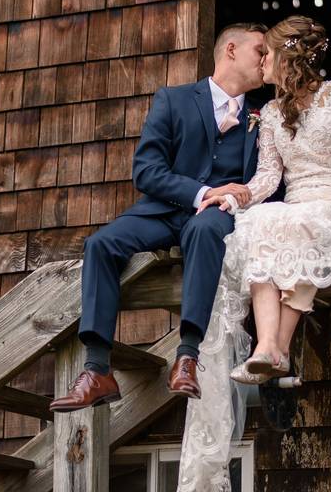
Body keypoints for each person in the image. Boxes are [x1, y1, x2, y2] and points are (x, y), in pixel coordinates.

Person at [176, 15, 331, 490]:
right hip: (295, 203)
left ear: (286, 57)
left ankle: (275, 346)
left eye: (267, 53)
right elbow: (268, 180)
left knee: (301, 225)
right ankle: (269, 347)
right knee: (258, 222)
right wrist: (233, 194)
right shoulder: (271, 113)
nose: (261, 61)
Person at [49, 22, 271, 413]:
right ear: (231, 50)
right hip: (164, 212)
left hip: (218, 219)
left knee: (204, 230)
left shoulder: (264, 117)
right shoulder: (174, 99)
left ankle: (187, 356)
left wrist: (227, 199)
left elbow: (269, 182)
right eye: (260, 50)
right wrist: (202, 192)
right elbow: (146, 171)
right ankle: (97, 368)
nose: (266, 59)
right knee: (100, 243)